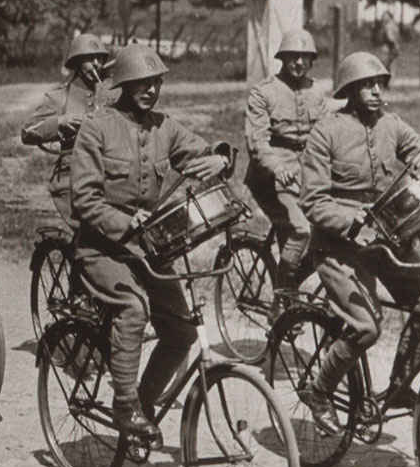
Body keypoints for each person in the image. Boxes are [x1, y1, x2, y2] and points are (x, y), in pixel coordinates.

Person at [69, 44, 233, 442]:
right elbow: (84, 200)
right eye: (141, 83)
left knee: (182, 330)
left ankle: (141, 404)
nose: (150, 90)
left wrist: (220, 159)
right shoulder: (97, 128)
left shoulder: (165, 127)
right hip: (100, 248)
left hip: (149, 249)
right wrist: (125, 221)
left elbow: (202, 151)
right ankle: (123, 404)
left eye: (156, 82)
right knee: (133, 306)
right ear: (123, 84)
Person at [299, 51, 420, 434]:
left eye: (381, 84)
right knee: (366, 328)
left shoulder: (390, 125)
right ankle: (319, 392)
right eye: (368, 85)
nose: (378, 92)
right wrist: (351, 222)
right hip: (338, 247)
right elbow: (313, 202)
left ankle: (399, 387)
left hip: (385, 240)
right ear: (350, 89)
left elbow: (418, 148)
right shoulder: (326, 133)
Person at [242, 28, 331, 319]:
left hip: (305, 172)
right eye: (293, 56)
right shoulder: (264, 92)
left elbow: (327, 133)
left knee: (327, 233)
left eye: (305, 57)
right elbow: (257, 142)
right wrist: (276, 166)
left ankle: (290, 281)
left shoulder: (317, 91)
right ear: (283, 58)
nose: (299, 63)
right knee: (300, 230)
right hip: (269, 177)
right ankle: (283, 302)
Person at [21, 33, 117, 230]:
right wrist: (59, 122)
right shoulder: (59, 98)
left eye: (100, 59)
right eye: (90, 59)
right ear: (77, 63)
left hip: (107, 176)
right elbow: (27, 132)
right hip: (71, 181)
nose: (96, 64)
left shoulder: (110, 94)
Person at [377, 10, 400, 77]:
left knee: (386, 65)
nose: (383, 18)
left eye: (385, 16)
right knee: (390, 65)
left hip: (389, 47)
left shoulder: (388, 26)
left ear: (389, 17)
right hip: (391, 47)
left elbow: (390, 37)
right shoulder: (393, 25)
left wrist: (395, 45)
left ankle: (386, 83)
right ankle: (387, 82)